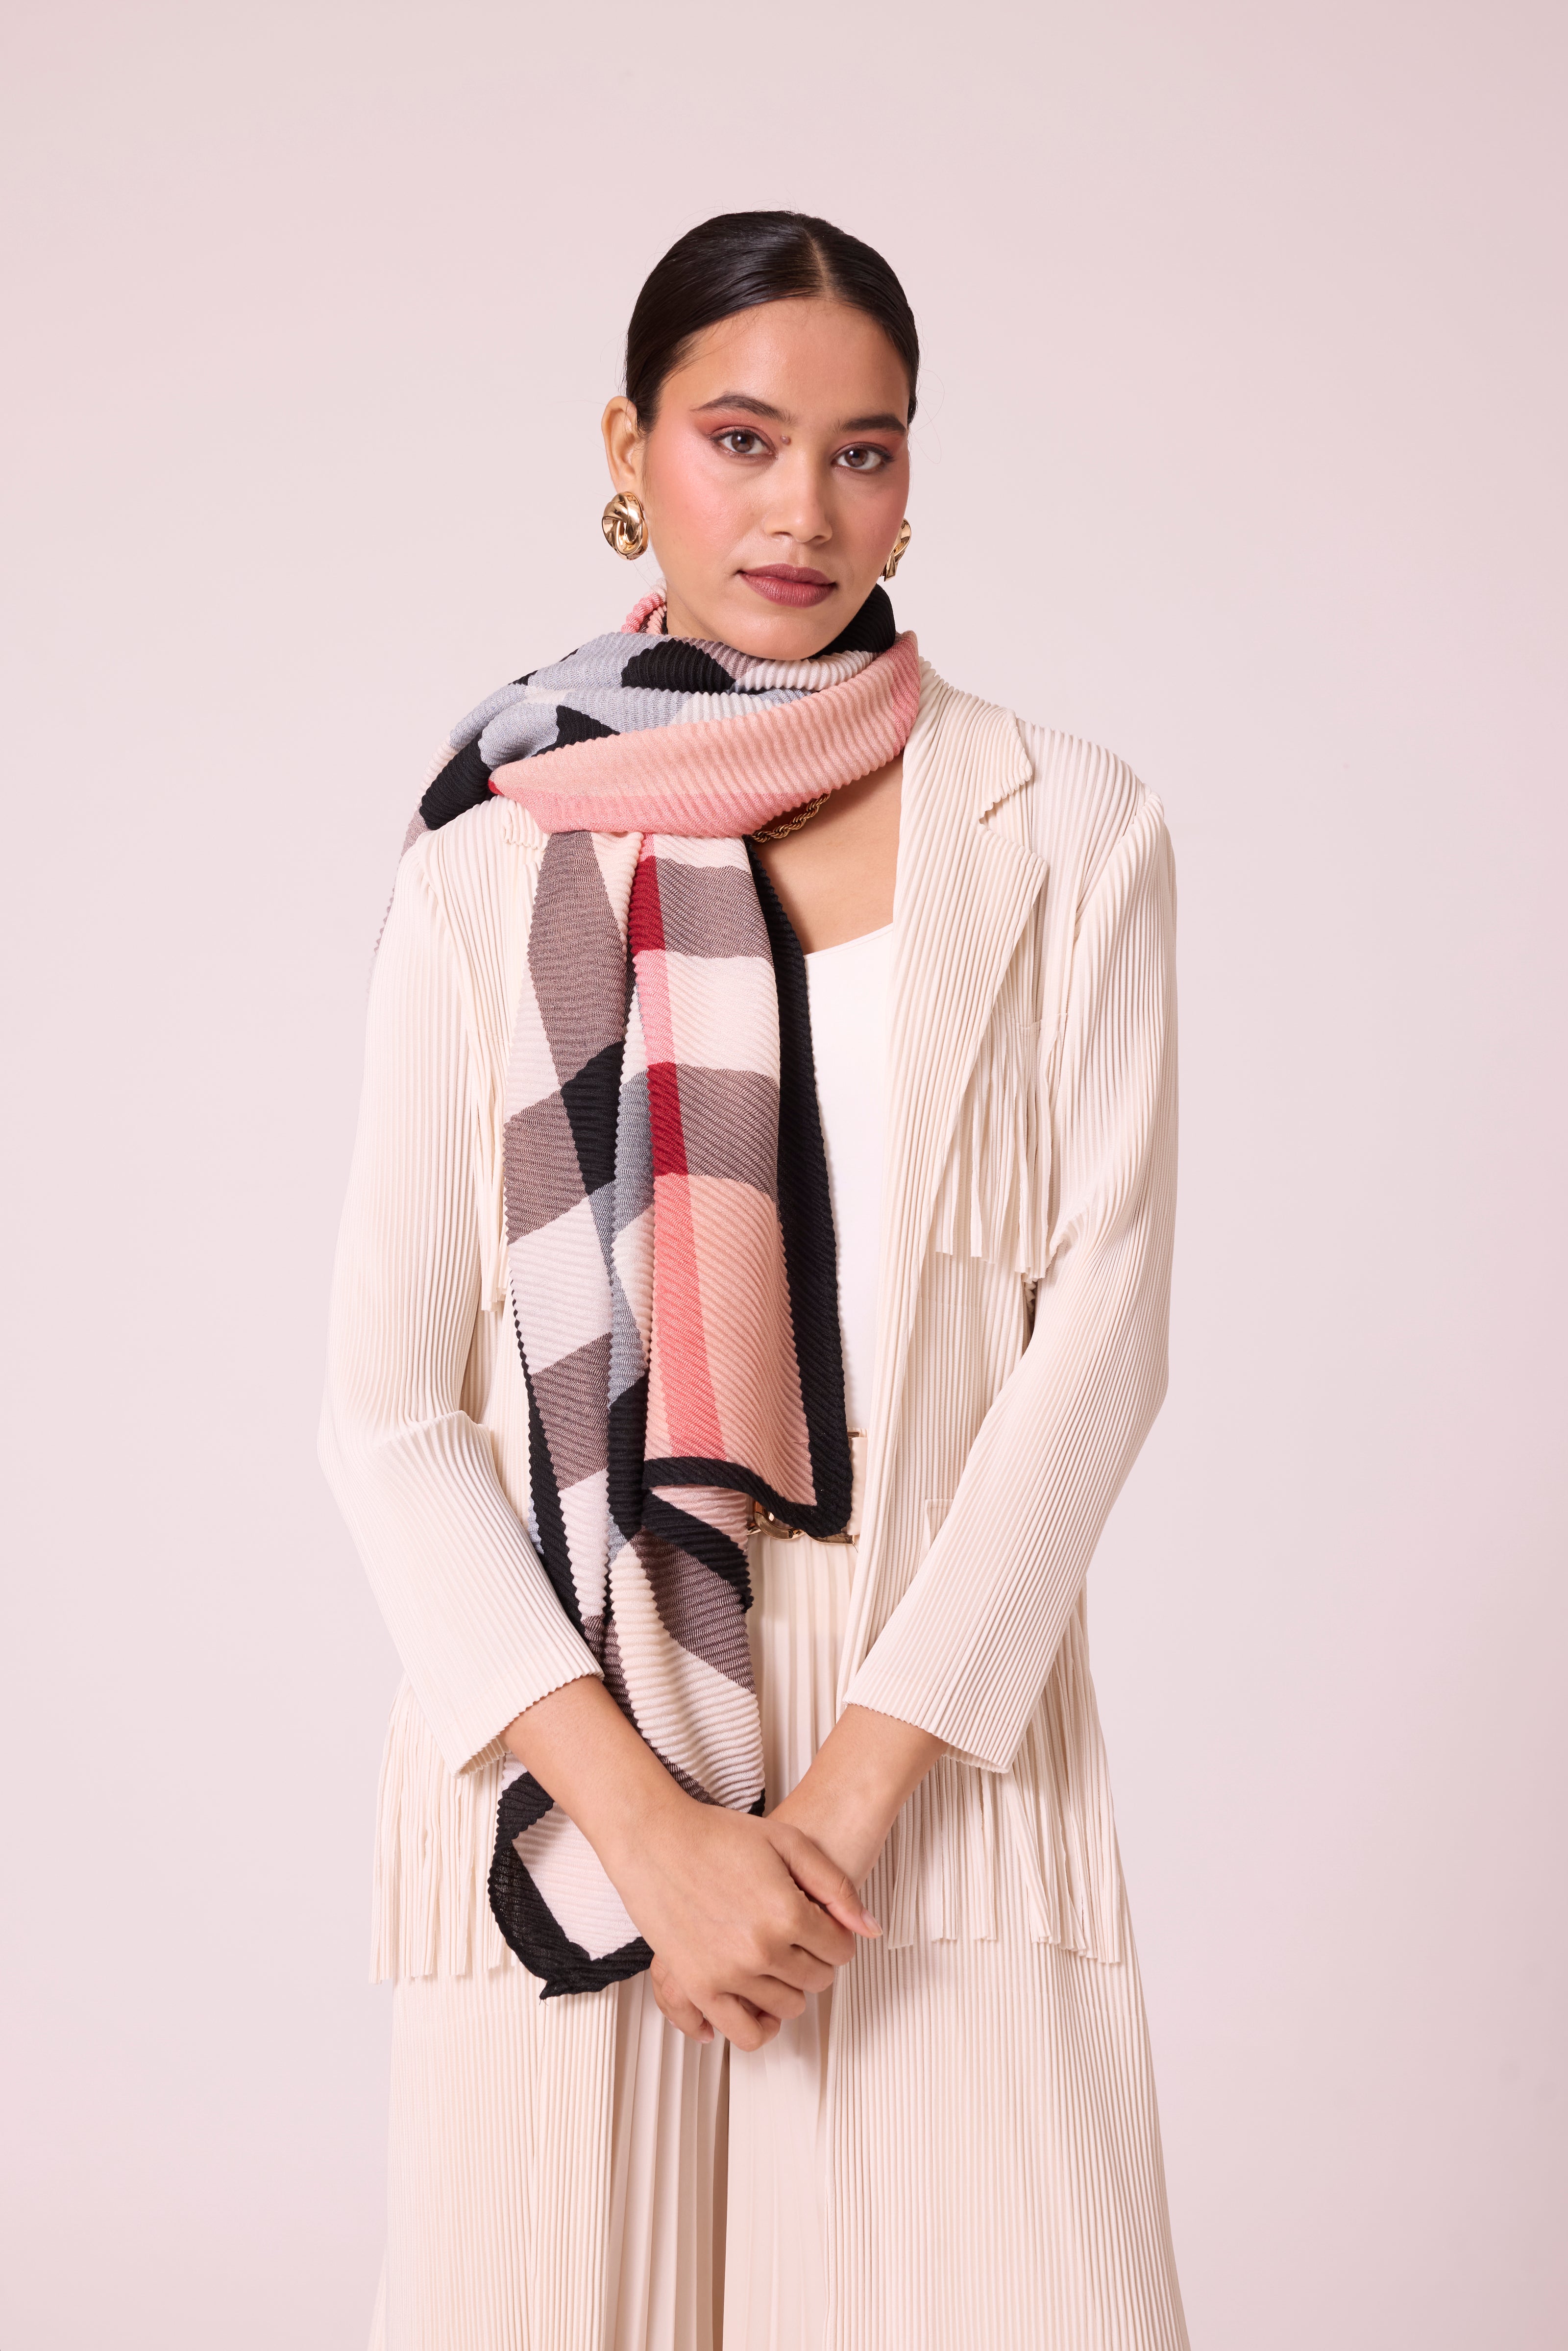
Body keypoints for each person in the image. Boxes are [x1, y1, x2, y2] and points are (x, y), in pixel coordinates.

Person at [322, 208, 1187, 2351]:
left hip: (936, 1758)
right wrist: (651, 1833)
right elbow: (391, 1416)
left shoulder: (1068, 830)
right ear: (631, 451)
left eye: (861, 452)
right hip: (573, 1760)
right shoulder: (487, 866)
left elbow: (1099, 1344)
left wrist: (834, 1812)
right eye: (741, 438)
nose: (803, 509)